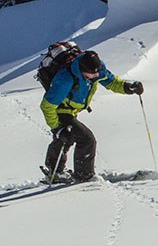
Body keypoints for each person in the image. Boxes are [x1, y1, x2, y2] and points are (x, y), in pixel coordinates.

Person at [40, 50, 143, 182]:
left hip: (72, 110)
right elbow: (47, 105)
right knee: (86, 139)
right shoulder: (65, 79)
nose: (96, 76)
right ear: (82, 70)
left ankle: (54, 171)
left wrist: (128, 88)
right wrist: (56, 128)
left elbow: (111, 82)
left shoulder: (97, 70)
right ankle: (84, 176)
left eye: (97, 72)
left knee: (68, 136)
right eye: (92, 74)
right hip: (61, 110)